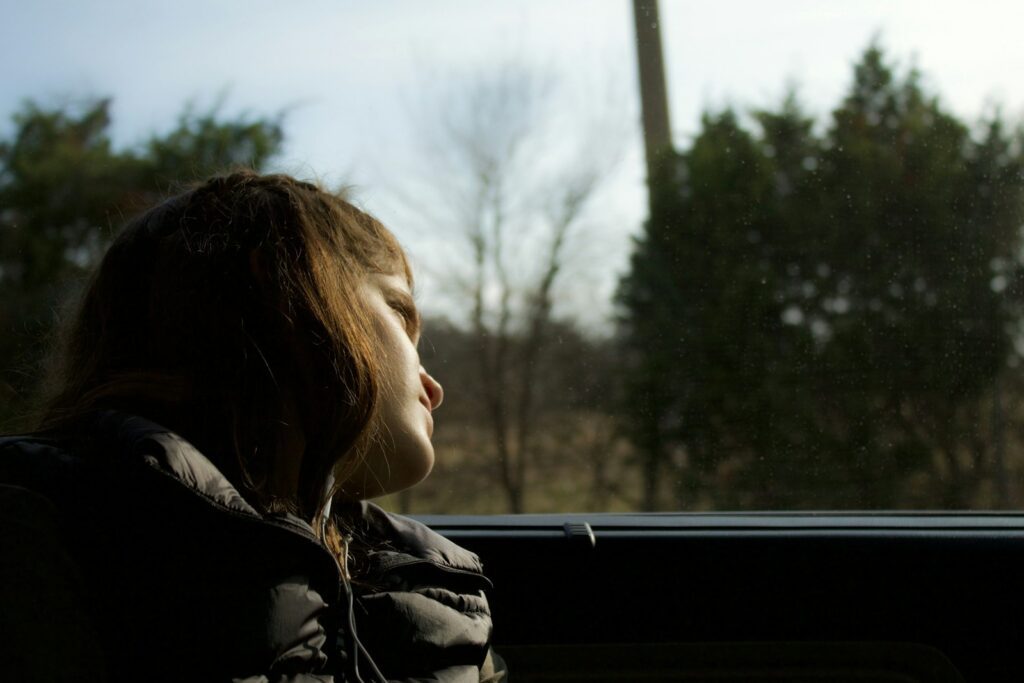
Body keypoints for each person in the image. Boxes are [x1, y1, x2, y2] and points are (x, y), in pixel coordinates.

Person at [0, 171, 505, 682]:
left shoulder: (433, 593)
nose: (433, 386)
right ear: (290, 291)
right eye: (400, 314)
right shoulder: (35, 546)